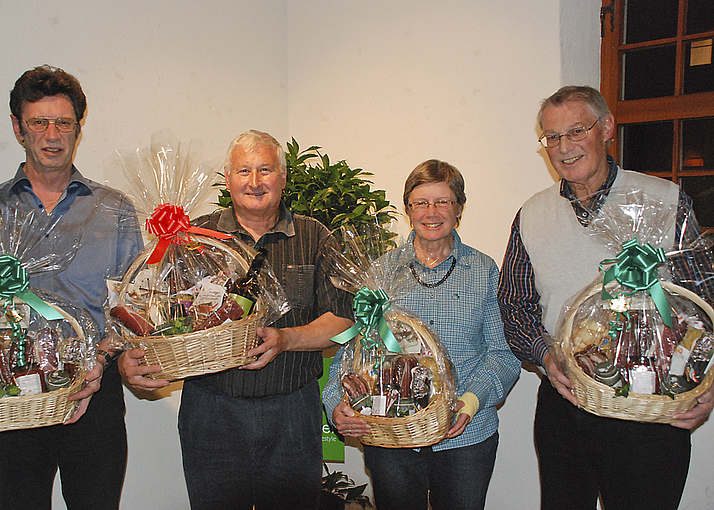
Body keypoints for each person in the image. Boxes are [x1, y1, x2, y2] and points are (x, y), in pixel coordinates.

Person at [498, 85, 714, 510]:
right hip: (567, 404)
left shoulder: (665, 201)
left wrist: (705, 384)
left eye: (576, 131)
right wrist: (546, 355)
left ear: (607, 128)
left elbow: (704, 304)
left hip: (651, 407)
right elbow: (514, 305)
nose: (564, 147)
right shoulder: (532, 214)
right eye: (552, 137)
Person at [118, 129, 354, 510]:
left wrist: (286, 339)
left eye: (266, 169)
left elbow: (343, 320)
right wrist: (139, 360)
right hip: (212, 413)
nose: (255, 182)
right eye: (244, 171)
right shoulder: (193, 239)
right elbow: (164, 317)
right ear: (227, 180)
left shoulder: (314, 236)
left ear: (283, 177)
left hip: (293, 413)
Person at [0, 65, 143, 510]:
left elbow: (133, 306)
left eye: (64, 123)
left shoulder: (114, 210)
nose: (52, 134)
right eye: (39, 122)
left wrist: (98, 363)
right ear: (18, 129)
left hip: (93, 393)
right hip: (7, 396)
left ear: (78, 129)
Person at [322, 159, 521, 510]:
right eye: (421, 203)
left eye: (443, 201)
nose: (432, 212)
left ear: (459, 208)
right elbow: (352, 351)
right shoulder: (381, 271)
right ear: (408, 209)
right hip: (391, 436)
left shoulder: (484, 271)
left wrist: (470, 403)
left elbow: (503, 356)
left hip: (466, 439)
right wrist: (337, 402)